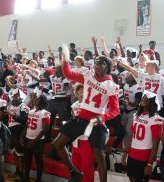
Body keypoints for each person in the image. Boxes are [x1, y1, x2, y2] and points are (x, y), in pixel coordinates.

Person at [53, 53, 120, 182]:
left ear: (107, 67)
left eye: (100, 63)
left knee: (99, 156)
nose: (96, 66)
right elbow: (68, 74)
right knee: (57, 144)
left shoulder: (111, 85)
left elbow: (115, 110)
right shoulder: (88, 75)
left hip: (96, 122)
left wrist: (103, 117)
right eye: (96, 63)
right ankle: (74, 172)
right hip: (81, 118)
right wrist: (66, 58)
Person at [122, 91, 164, 182]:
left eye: (146, 98)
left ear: (152, 102)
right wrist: (126, 152)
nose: (143, 99)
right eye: (143, 98)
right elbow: (132, 136)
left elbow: (155, 144)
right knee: (131, 178)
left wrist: (150, 163)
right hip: (132, 153)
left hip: (144, 155)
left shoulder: (156, 119)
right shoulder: (136, 115)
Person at [21, 95, 50, 182]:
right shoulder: (31, 111)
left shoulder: (45, 113)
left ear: (41, 102)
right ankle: (26, 178)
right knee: (27, 159)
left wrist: (34, 141)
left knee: (38, 161)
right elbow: (27, 124)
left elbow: (45, 130)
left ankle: (38, 179)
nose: (35, 99)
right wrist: (22, 135)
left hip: (38, 141)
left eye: (37, 99)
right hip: (27, 138)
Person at [70, 84, 95, 182]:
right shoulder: (74, 105)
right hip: (75, 140)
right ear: (76, 93)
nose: (81, 93)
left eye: (84, 91)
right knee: (75, 168)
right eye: (80, 91)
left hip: (86, 140)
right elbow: (72, 121)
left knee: (87, 169)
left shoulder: (90, 105)